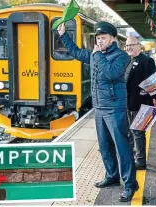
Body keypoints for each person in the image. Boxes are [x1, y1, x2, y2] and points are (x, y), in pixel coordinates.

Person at [57, 21, 138, 202]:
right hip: (99, 107)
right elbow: (77, 53)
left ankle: (130, 184)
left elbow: (111, 73)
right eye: (98, 38)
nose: (100, 41)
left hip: (115, 107)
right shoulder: (96, 54)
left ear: (112, 39)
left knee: (122, 147)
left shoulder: (121, 56)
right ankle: (112, 176)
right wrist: (63, 36)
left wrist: (97, 55)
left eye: (103, 38)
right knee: (104, 146)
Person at [125, 36, 156, 170]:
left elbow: (153, 82)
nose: (129, 48)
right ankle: (133, 155)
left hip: (141, 102)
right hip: (127, 102)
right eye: (127, 46)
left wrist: (153, 99)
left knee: (138, 132)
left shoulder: (147, 61)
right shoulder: (128, 60)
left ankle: (140, 161)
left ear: (139, 45)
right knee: (130, 132)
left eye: (132, 45)